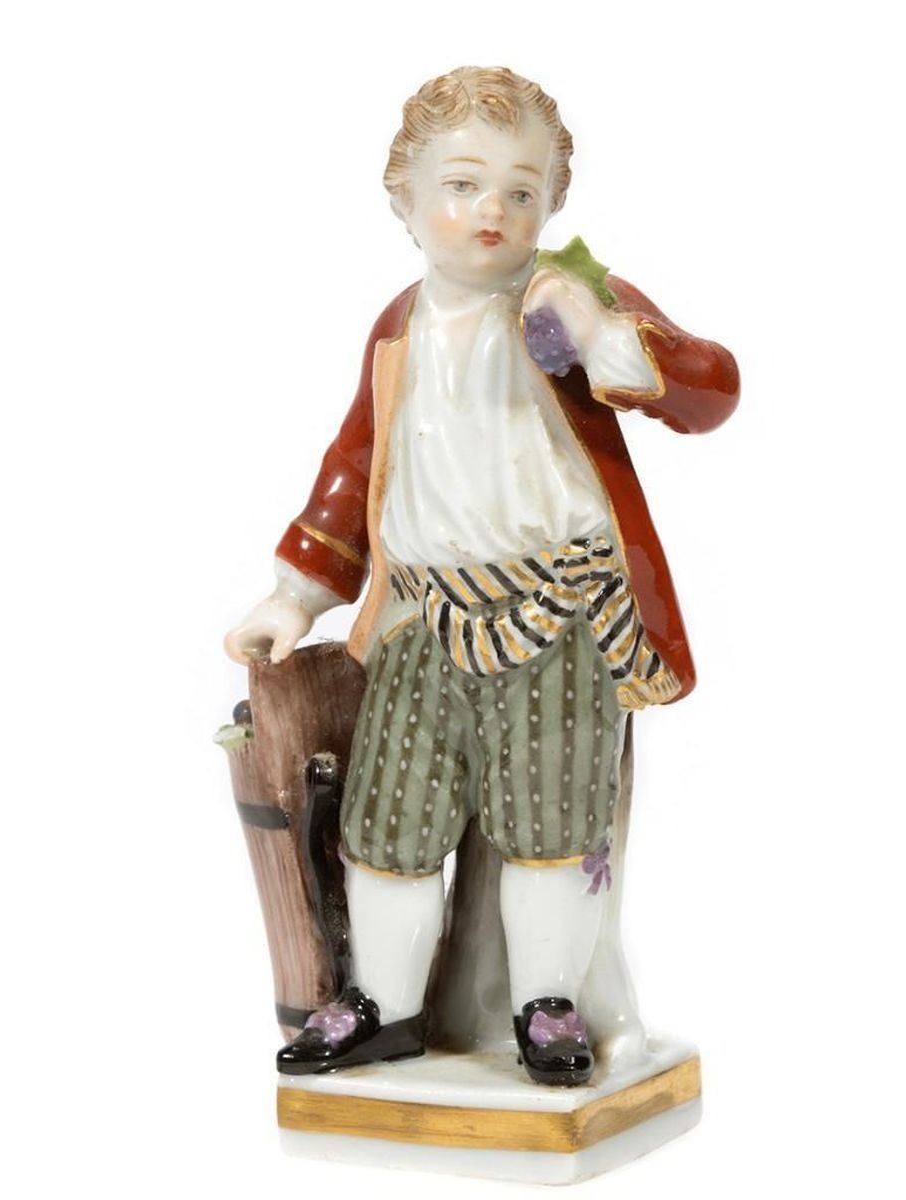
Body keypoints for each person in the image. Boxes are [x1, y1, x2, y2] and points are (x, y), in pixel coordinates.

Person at [225, 65, 739, 1086]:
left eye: (521, 189)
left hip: (555, 613)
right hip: (423, 619)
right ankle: (385, 1005)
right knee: (390, 820)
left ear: (553, 202)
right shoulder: (399, 329)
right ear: (404, 199)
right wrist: (296, 593)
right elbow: (355, 469)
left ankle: (547, 1003)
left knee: (553, 823)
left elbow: (710, 388)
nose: (492, 210)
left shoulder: (574, 301)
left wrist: (604, 337)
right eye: (462, 185)